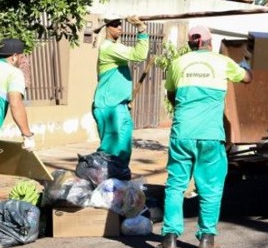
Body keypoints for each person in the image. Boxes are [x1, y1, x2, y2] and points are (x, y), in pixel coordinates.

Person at [160, 25, 253, 248]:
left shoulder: (177, 63)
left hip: (182, 133)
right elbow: (247, 78)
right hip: (211, 135)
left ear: (190, 44)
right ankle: (206, 238)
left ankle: (170, 238)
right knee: (210, 188)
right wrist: (246, 60)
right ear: (210, 43)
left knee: (175, 186)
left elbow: (172, 97)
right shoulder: (222, 62)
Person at [92, 13, 149, 166]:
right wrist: (141, 30)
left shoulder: (114, 48)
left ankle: (118, 184)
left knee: (123, 152)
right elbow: (139, 54)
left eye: (120, 23)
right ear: (106, 28)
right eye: (115, 24)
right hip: (109, 106)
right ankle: (102, 182)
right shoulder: (108, 48)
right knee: (110, 153)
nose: (119, 27)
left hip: (119, 105)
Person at [0, 38, 35, 151]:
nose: (22, 60)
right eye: (21, 57)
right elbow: (16, 104)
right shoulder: (13, 73)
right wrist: (27, 135)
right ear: (14, 56)